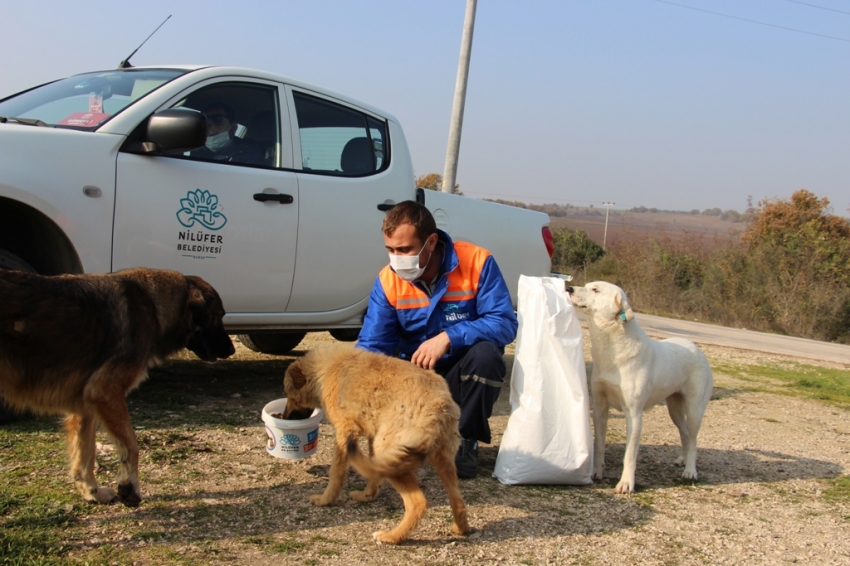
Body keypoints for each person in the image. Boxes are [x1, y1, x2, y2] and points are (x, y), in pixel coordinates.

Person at [357, 200, 518, 479]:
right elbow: (373, 346)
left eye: (405, 249)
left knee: (487, 357)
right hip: (416, 379)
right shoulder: (387, 281)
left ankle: (465, 441)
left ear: (431, 242)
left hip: (462, 373)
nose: (397, 259)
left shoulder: (477, 262)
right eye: (391, 250)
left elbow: (504, 322)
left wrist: (449, 337)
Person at [190, 103, 265, 165]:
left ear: (234, 127)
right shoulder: (195, 151)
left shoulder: (251, 156)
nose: (210, 130)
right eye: (204, 123)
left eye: (218, 121)